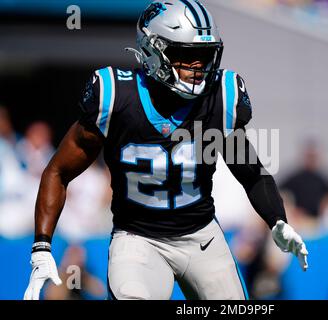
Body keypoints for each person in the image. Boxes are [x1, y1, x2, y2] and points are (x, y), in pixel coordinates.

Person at [24, 0, 308, 300]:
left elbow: (251, 173)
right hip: (137, 240)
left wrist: (278, 220)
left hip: (202, 237)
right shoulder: (116, 97)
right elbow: (58, 171)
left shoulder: (219, 98)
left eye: (204, 55)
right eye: (187, 55)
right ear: (152, 51)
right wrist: (42, 246)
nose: (199, 67)